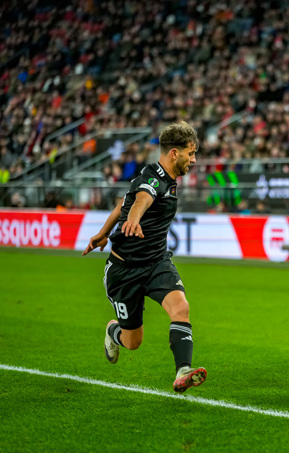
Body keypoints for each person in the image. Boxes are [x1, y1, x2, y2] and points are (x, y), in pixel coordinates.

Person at [82, 121, 207, 393]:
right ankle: (113, 330)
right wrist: (134, 219)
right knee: (133, 342)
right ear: (174, 153)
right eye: (191, 154)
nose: (194, 160)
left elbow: (124, 202)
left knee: (181, 308)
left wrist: (103, 233)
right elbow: (140, 201)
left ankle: (183, 371)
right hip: (124, 271)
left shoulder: (164, 179)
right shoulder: (154, 178)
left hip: (157, 263)